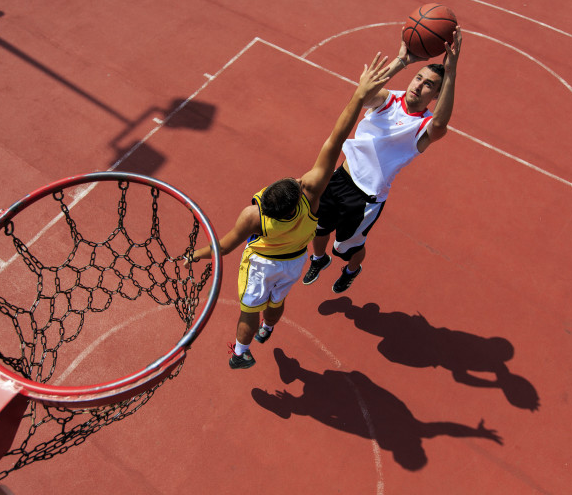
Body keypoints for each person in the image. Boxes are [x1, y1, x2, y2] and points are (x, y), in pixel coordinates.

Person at [188, 54, 391, 369]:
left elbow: (224, 247)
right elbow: (336, 140)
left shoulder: (253, 216)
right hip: (294, 262)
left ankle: (241, 353)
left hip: (261, 264)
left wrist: (195, 255)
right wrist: (359, 96)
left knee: (248, 310)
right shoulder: (312, 197)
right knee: (276, 302)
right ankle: (268, 329)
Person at [303, 27, 463, 293]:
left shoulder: (424, 127)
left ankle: (352, 269)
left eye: (428, 85)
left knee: (346, 246)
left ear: (436, 95)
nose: (419, 85)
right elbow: (362, 96)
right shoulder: (388, 99)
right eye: (418, 78)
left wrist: (452, 71)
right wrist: (401, 61)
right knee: (317, 227)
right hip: (341, 176)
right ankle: (319, 259)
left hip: (366, 199)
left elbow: (442, 123)